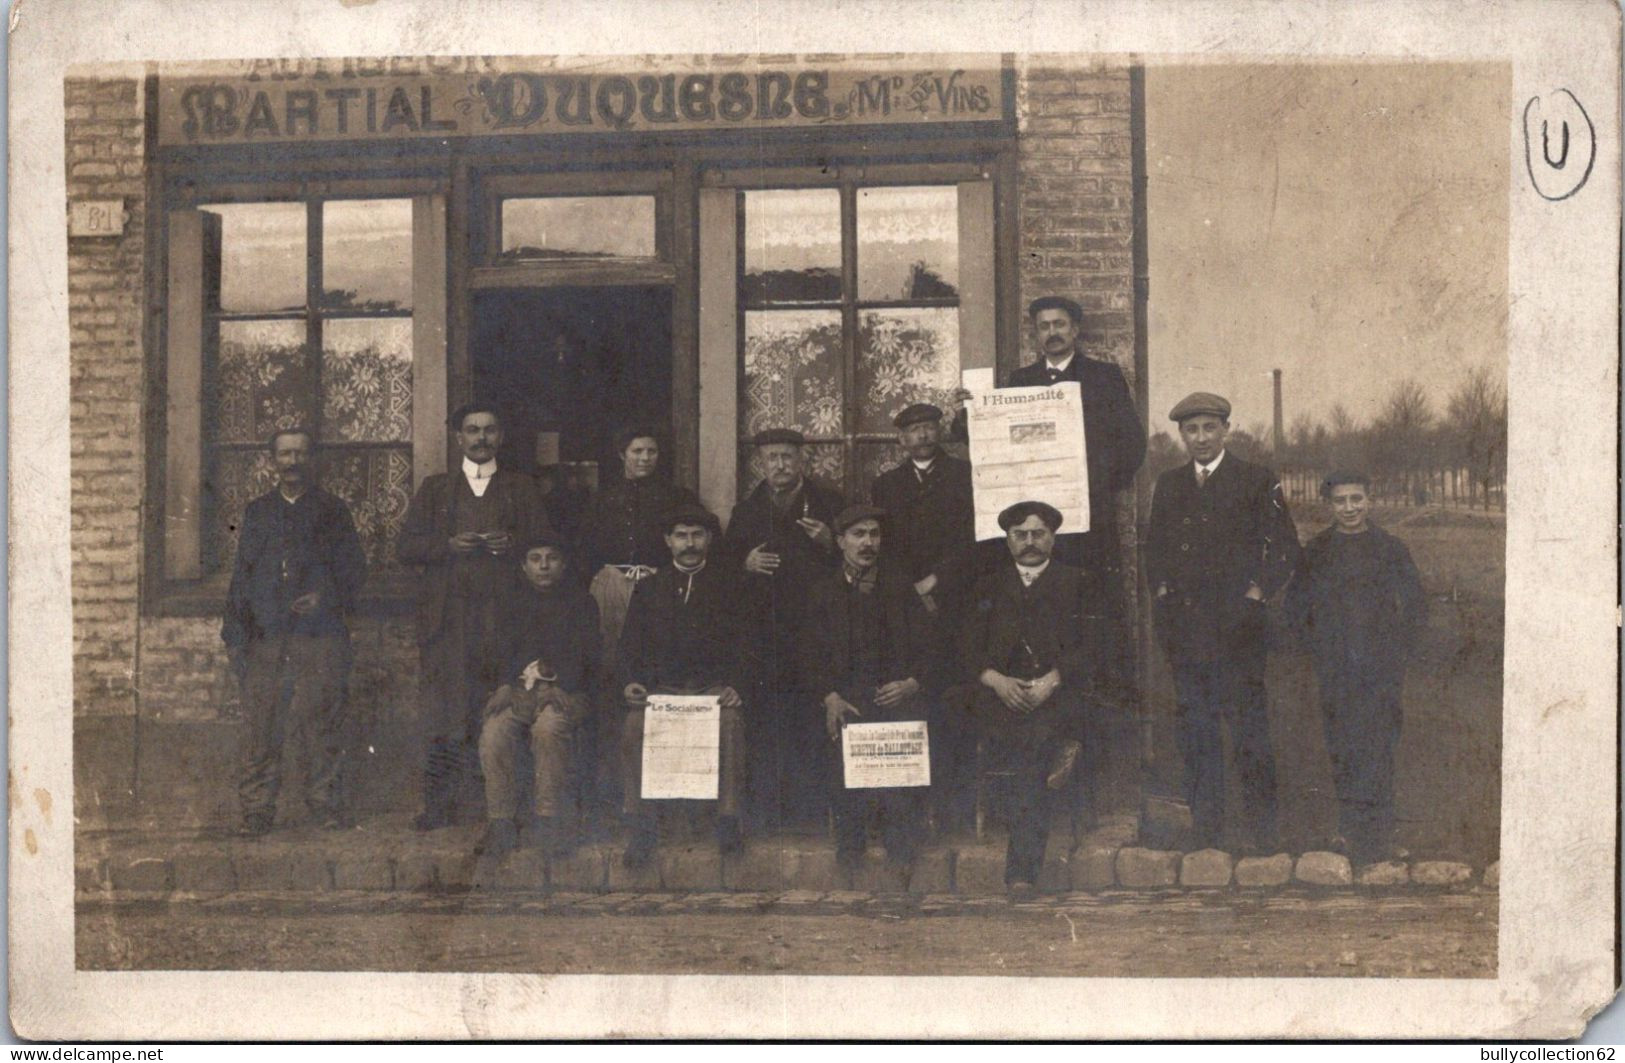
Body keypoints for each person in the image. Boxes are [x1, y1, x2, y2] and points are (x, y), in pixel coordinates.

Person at [1144, 392, 1301, 852]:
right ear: (1182, 435)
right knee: (1197, 733)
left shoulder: (1256, 480)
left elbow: (1286, 548)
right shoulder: (1169, 484)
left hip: (1239, 631)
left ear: (1226, 430)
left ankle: (1263, 833)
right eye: (1191, 430)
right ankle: (1207, 831)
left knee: (1249, 730)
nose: (1200, 438)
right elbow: (1155, 550)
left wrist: (1256, 593)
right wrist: (1163, 593)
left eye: (1209, 428)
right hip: (1188, 632)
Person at [398, 403, 551, 831]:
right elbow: (406, 547)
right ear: (458, 438)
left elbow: (546, 542)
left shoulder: (520, 488)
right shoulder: (436, 489)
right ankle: (441, 805)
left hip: (504, 620)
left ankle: (507, 807)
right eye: (472, 431)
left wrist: (514, 542)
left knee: (504, 709)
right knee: (446, 712)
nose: (481, 438)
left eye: (489, 430)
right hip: (450, 622)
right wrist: (448, 545)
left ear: (500, 437)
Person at [221, 428, 367, 837]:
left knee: (321, 720)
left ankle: (324, 804)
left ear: (311, 459)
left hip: (319, 634)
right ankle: (257, 809)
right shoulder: (258, 512)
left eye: (300, 453)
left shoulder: (332, 510)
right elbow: (242, 575)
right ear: (272, 461)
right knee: (262, 725)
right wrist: (234, 634)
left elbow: (354, 570)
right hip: (267, 635)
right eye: (284, 454)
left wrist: (325, 598)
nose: (292, 462)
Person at [950, 296, 1145, 590]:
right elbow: (994, 444)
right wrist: (968, 414)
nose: (1052, 332)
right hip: (1034, 522)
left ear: (1075, 330)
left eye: (1059, 324)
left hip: (1088, 517)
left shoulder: (1104, 377)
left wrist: (1093, 483)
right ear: (1036, 334)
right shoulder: (1020, 381)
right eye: (1044, 327)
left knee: (1090, 596)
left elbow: (1132, 445)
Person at [954, 501, 1099, 895]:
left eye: (1038, 534)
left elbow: (1097, 646)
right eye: (1020, 535)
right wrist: (996, 680)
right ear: (1007, 540)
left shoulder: (1078, 582)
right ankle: (1060, 755)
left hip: (1057, 696)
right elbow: (966, 647)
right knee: (1023, 747)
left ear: (1053, 538)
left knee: (1032, 748)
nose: (1030, 542)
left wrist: (1054, 678)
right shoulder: (987, 585)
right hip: (1000, 696)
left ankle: (1021, 872)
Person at [1284, 471, 1427, 866]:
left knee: (1379, 745)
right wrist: (1317, 647)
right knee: (1343, 745)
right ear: (1330, 505)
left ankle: (1381, 834)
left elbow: (1415, 605)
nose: (1349, 508)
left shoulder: (1390, 548)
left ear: (1369, 499)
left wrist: (1397, 651)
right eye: (1341, 501)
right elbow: (1295, 607)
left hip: (1380, 669)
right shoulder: (1317, 550)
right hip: (1336, 669)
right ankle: (1349, 830)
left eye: (1356, 499)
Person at [799, 505, 935, 876]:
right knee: (842, 731)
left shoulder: (899, 588)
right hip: (846, 698)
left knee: (905, 731)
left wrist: (911, 683)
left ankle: (901, 846)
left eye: (874, 534)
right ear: (840, 541)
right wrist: (829, 697)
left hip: (895, 696)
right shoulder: (822, 593)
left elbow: (929, 648)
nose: (868, 543)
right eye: (858, 535)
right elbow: (809, 657)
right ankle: (851, 844)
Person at [721, 427, 845, 829]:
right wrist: (745, 563)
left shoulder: (828, 502)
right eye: (772, 458)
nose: (780, 465)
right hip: (765, 634)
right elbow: (724, 567)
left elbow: (858, 556)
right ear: (761, 463)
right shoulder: (747, 510)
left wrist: (830, 541)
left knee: (810, 718)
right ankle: (768, 815)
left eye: (788, 457)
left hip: (816, 628)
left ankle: (809, 813)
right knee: (766, 719)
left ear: (801, 461)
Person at [617, 503, 752, 869]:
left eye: (696, 535)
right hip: (665, 691)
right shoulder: (649, 589)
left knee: (731, 723)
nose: (689, 544)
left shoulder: (733, 585)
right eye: (681, 536)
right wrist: (632, 682)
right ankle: (640, 824)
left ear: (708, 539)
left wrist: (736, 685)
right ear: (667, 541)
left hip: (712, 690)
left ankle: (728, 820)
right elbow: (630, 645)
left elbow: (748, 644)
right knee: (634, 728)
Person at [869, 401, 979, 830]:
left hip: (954, 602)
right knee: (907, 696)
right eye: (913, 430)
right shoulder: (886, 485)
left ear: (940, 432)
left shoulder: (964, 477)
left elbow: (976, 540)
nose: (922, 436)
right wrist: (906, 589)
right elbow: (883, 545)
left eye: (929, 428)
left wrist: (937, 581)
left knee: (950, 698)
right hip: (903, 603)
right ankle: (908, 808)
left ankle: (952, 807)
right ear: (902, 439)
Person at [475, 530, 601, 863]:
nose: (543, 566)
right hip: (519, 691)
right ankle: (500, 821)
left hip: (567, 691)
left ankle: (550, 820)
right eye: (535, 559)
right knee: (494, 732)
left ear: (563, 565)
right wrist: (504, 684)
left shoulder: (581, 602)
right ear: (524, 566)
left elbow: (591, 655)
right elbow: (495, 650)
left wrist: (564, 685)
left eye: (551, 559)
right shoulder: (510, 603)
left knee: (548, 730)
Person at [576, 427, 699, 683]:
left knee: (656, 650)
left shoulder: (677, 497)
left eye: (651, 451)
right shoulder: (603, 498)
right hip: (612, 583)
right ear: (622, 454)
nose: (645, 458)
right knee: (610, 653)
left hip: (659, 582)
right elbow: (586, 546)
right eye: (637, 451)